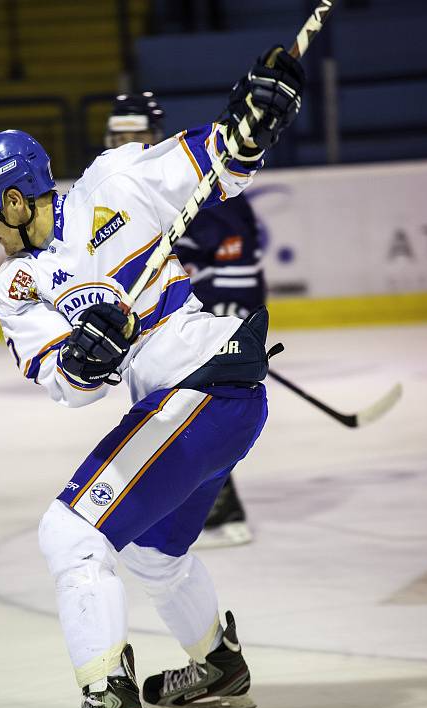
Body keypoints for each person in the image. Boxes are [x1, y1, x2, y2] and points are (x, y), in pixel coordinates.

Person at [0, 48, 304, 708]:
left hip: (207, 382)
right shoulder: (17, 286)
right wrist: (87, 360)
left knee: (69, 533)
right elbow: (65, 383)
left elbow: (221, 164)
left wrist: (250, 124)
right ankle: (217, 667)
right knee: (150, 554)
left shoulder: (111, 183)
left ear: (16, 199)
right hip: (203, 402)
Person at [105, 92, 268, 549]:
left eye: (136, 137)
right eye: (118, 137)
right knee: (161, 414)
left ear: (155, 137)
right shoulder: (106, 201)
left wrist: (227, 333)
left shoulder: (201, 190)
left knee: (199, 410)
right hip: (154, 341)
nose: (126, 146)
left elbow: (240, 274)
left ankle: (219, 502)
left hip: (205, 326)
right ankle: (179, 503)